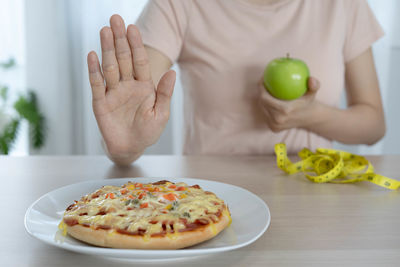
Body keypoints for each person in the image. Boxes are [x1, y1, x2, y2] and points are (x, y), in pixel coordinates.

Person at [87, 0, 385, 166]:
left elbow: (373, 126)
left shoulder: (345, 5)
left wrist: (314, 116)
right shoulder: (177, 4)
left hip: (314, 200)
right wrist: (126, 145)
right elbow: (131, 111)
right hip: (210, 200)